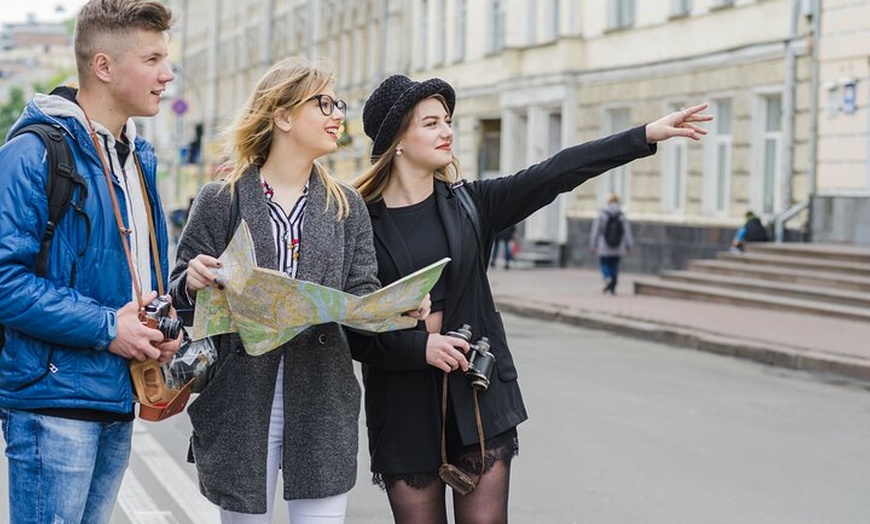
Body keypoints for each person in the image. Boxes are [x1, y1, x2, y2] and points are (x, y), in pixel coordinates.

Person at [351, 74, 711, 524]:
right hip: (403, 404)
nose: (447, 131)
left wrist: (643, 136)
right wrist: (420, 346)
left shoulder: (472, 204)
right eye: (430, 123)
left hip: (477, 394)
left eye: (447, 120)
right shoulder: (358, 222)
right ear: (397, 140)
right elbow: (351, 328)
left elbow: (557, 171)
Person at [169, 59, 423, 523]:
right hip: (241, 397)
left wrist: (396, 307)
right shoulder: (220, 199)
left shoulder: (346, 206)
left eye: (338, 103)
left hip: (322, 396)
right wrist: (192, 278)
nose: (337, 114)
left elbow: (361, 292)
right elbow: (178, 291)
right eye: (323, 103)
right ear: (282, 116)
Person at [0, 0, 181, 522]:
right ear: (103, 67)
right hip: (51, 404)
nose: (167, 74)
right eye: (151, 59)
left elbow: (135, 275)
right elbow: (5, 281)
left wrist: (161, 319)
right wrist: (107, 327)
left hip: (113, 396)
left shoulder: (136, 156)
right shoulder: (34, 152)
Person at [589, 193, 633, 294]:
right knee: (615, 265)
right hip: (618, 245)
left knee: (605, 263)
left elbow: (596, 230)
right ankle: (613, 288)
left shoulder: (602, 214)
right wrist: (629, 245)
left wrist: (593, 243)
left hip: (604, 245)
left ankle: (607, 278)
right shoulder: (622, 215)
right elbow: (627, 231)